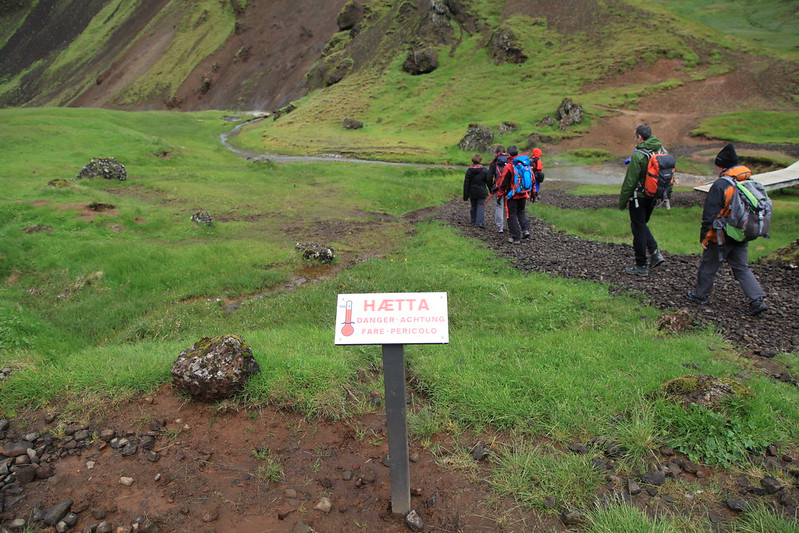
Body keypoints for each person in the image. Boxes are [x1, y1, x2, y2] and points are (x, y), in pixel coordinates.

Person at [685, 144, 768, 316]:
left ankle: (700, 295)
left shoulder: (721, 184)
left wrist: (705, 237)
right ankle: (757, 299)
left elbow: (710, 215)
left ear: (721, 165)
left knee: (709, 265)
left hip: (722, 234)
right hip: (742, 232)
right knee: (741, 267)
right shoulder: (748, 180)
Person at [618, 124, 666, 275]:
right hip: (653, 196)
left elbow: (630, 181)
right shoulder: (661, 150)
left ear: (639, 137)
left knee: (638, 229)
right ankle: (655, 253)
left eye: (635, 136)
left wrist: (622, 201)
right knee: (641, 225)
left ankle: (641, 265)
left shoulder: (639, 155)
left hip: (638, 197)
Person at [497, 145, 531, 244]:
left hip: (511, 194)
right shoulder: (525, 163)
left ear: (508, 154)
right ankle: (525, 230)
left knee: (511, 215)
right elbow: (531, 178)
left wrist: (500, 194)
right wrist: (532, 192)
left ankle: (516, 237)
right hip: (523, 193)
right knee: (521, 211)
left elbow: (503, 182)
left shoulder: (509, 166)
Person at [462, 153, 490, 228]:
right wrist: (491, 190)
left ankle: (473, 221)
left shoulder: (469, 171)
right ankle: (480, 223)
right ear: (480, 160)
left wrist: (465, 195)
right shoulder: (484, 170)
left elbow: (466, 183)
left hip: (472, 191)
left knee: (473, 206)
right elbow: (488, 181)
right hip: (481, 191)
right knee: (480, 206)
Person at [487, 146, 510, 233]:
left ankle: (500, 227)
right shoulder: (509, 161)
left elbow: (489, 177)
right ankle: (510, 225)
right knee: (508, 206)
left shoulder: (494, 163)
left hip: (498, 187)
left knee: (499, 206)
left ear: (496, 153)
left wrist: (491, 188)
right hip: (509, 188)